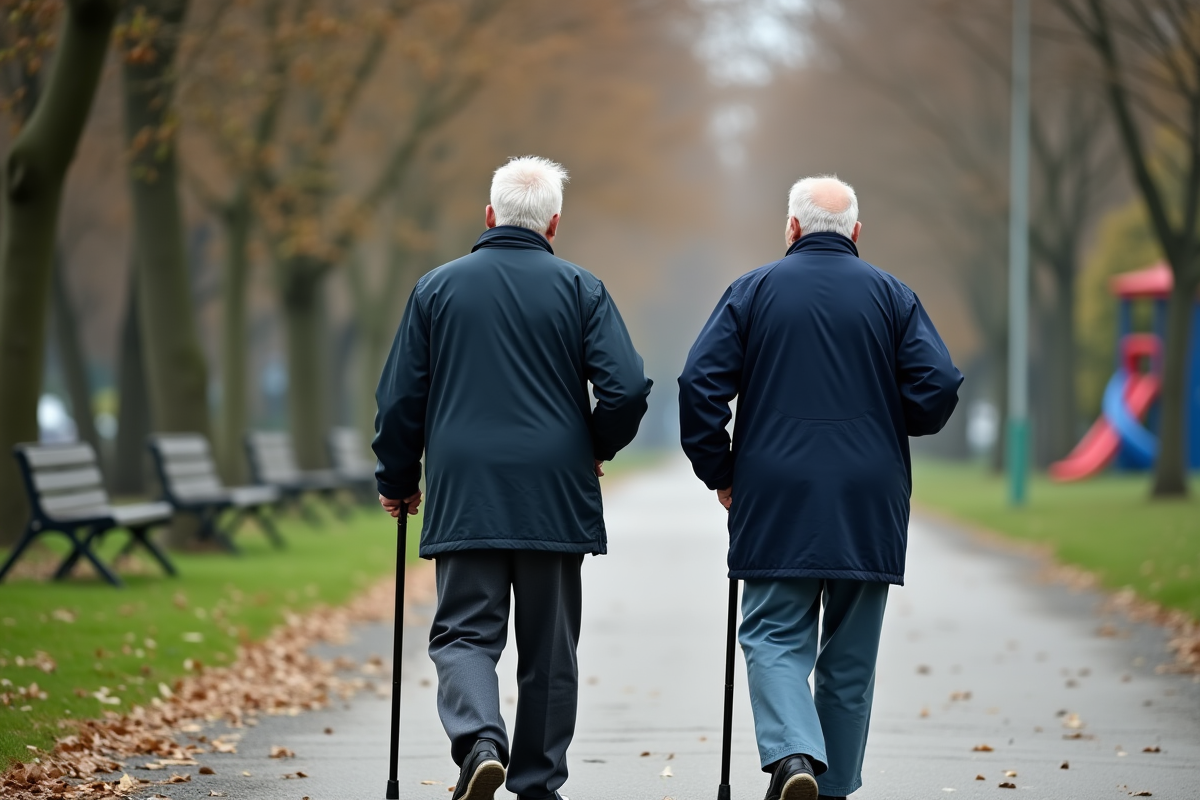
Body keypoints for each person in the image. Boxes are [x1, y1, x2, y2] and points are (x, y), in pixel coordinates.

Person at [373, 155, 652, 800]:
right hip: (553, 490)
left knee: (464, 630)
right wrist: (593, 445)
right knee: (550, 649)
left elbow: (399, 401)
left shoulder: (436, 289)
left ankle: (479, 741)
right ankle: (536, 782)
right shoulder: (582, 289)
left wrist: (397, 477)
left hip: (466, 486)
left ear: (490, 215)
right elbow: (628, 387)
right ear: (554, 223)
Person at [678, 175, 962, 800]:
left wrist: (719, 470)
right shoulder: (893, 296)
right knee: (851, 657)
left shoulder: (752, 292)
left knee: (773, 635)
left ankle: (795, 757)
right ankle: (830, 788)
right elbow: (938, 384)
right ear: (856, 233)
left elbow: (699, 383)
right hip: (869, 491)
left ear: (792, 228)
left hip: (776, 488)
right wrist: (900, 419)